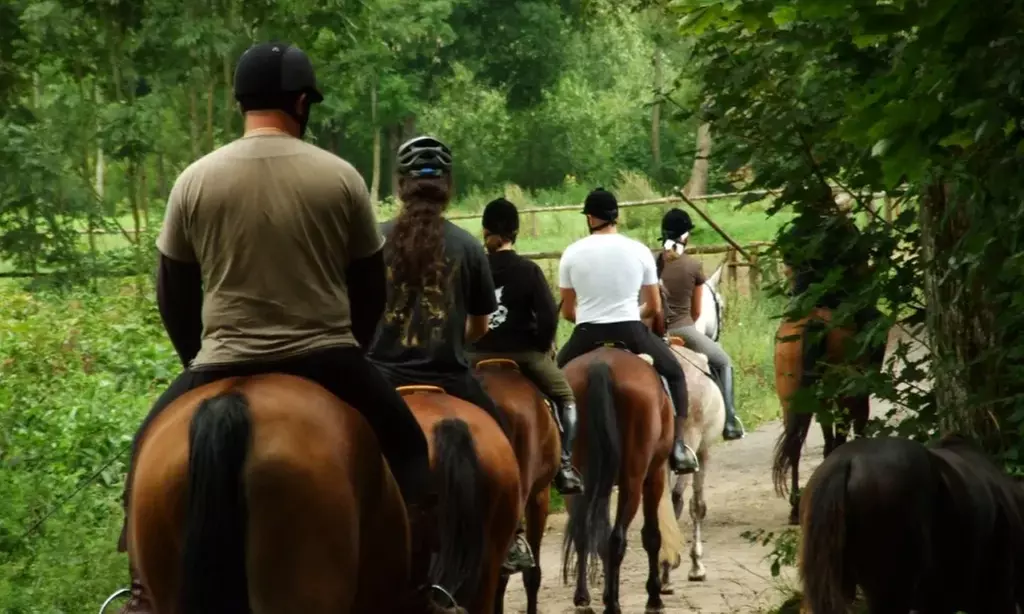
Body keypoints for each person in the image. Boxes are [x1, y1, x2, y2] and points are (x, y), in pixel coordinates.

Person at [114, 42, 435, 614]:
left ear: (241, 101)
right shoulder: (339, 177)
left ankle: (140, 593)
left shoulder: (194, 180)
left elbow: (173, 292)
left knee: (144, 455)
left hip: (220, 358)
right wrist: (352, 352)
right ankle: (417, 591)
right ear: (300, 103)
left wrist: (198, 360)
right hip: (327, 357)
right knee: (410, 448)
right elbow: (369, 287)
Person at [365, 136, 534, 573]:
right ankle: (514, 534)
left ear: (401, 186)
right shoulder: (468, 246)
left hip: (380, 379)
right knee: (500, 437)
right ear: (448, 187)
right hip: (451, 377)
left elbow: (355, 315)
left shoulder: (372, 240)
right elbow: (480, 326)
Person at [555, 188, 700, 474]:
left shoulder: (571, 253)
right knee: (674, 373)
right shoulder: (639, 250)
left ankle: (561, 455)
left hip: (586, 332)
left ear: (590, 218)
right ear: (616, 217)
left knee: (553, 384)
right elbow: (654, 306)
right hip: (631, 330)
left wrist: (591, 316)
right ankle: (678, 447)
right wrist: (631, 314)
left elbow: (568, 312)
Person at [467, 197, 585, 495]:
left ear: (485, 231)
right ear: (515, 232)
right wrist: (540, 346)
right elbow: (548, 317)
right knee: (565, 398)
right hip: (523, 354)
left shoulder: (471, 268)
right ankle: (565, 466)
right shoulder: (528, 270)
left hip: (474, 354)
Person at [656, 208, 745, 441]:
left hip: (652, 333)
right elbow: (696, 312)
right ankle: (730, 420)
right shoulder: (693, 265)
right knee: (723, 362)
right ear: (685, 236)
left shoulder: (651, 262)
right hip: (683, 330)